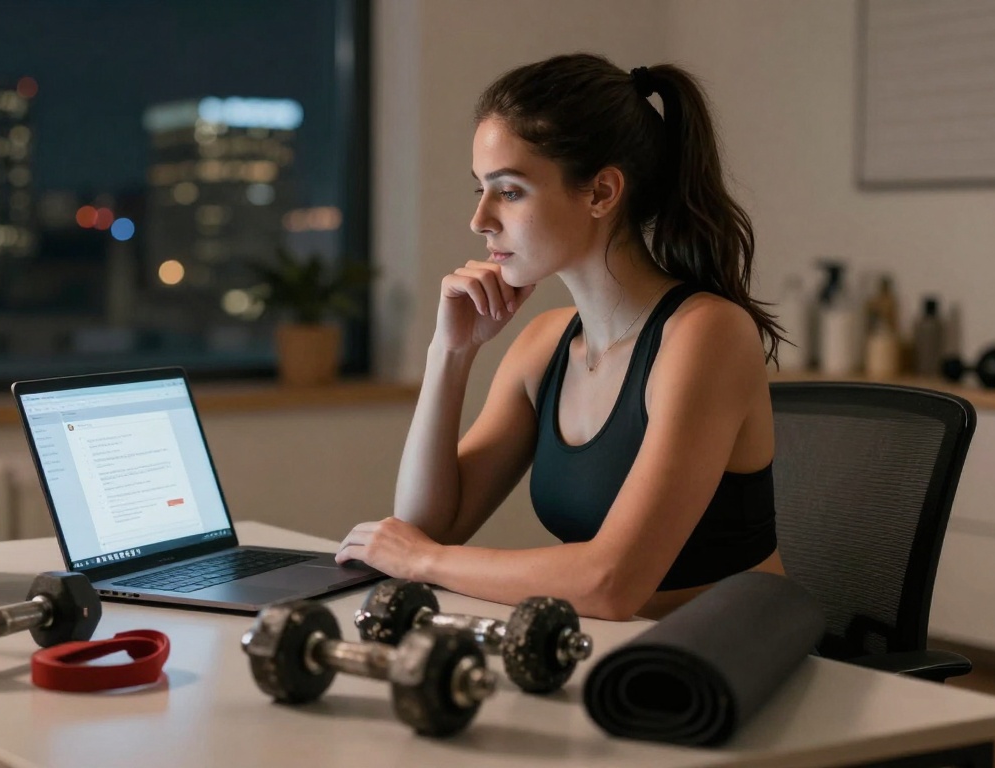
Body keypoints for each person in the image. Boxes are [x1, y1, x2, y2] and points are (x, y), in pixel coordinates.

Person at [334, 53, 786, 621]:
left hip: (730, 662)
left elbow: (610, 583)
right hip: (604, 655)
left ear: (601, 192)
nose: (480, 219)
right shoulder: (544, 343)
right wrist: (450, 352)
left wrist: (428, 562)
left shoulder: (706, 335)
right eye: (480, 189)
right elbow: (426, 524)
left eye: (510, 191)